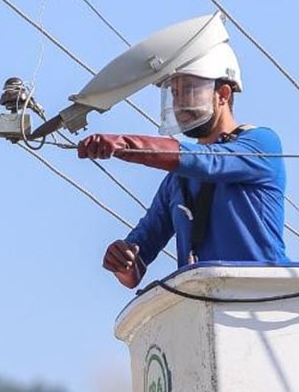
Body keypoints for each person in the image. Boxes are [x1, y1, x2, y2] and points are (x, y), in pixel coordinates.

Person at [78, 42, 287, 289]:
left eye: (189, 89)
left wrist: (125, 145)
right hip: (208, 303)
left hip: (265, 299)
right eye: (175, 92)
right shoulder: (178, 181)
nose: (180, 102)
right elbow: (138, 260)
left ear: (223, 94)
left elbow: (210, 162)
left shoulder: (261, 142)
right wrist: (123, 260)